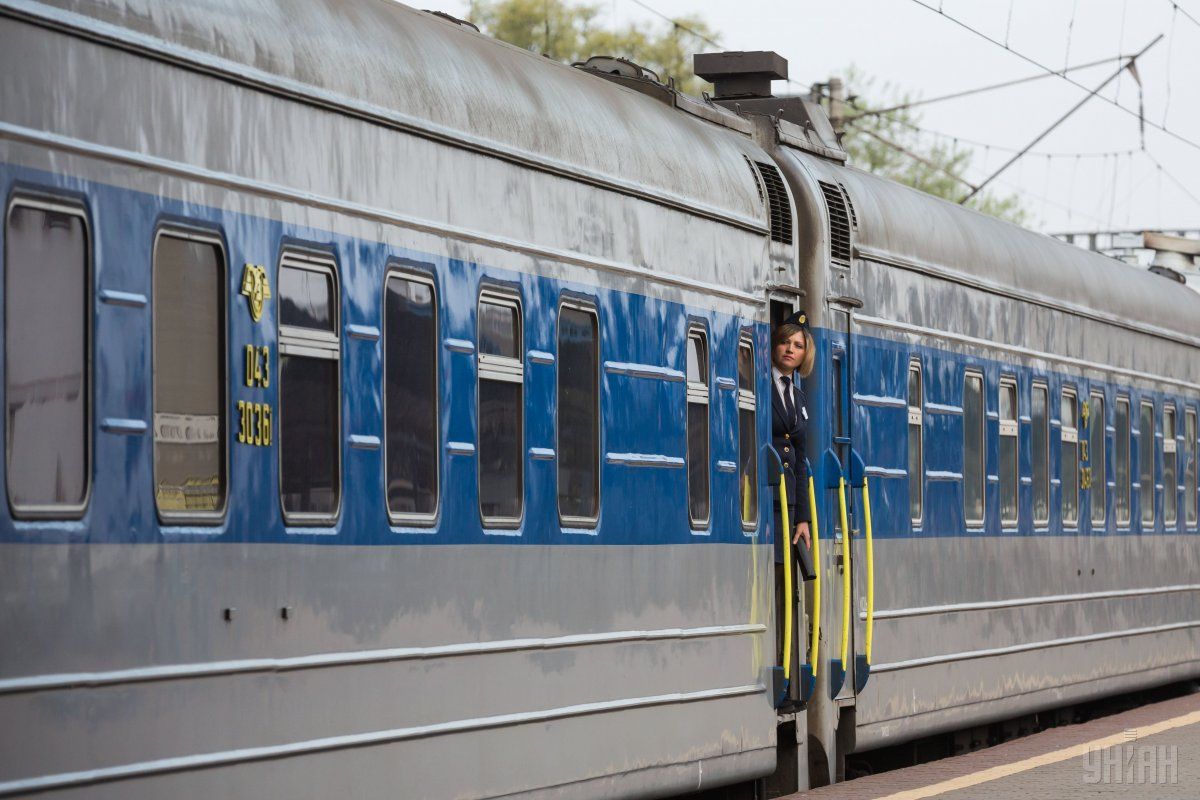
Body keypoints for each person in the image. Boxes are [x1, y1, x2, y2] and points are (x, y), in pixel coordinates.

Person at [771, 311, 815, 564]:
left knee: (784, 569)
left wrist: (802, 518)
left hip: (788, 501)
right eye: (785, 342)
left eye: (798, 345)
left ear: (804, 355)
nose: (790, 349)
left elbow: (800, 461)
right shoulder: (760, 383)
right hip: (766, 496)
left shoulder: (799, 398)